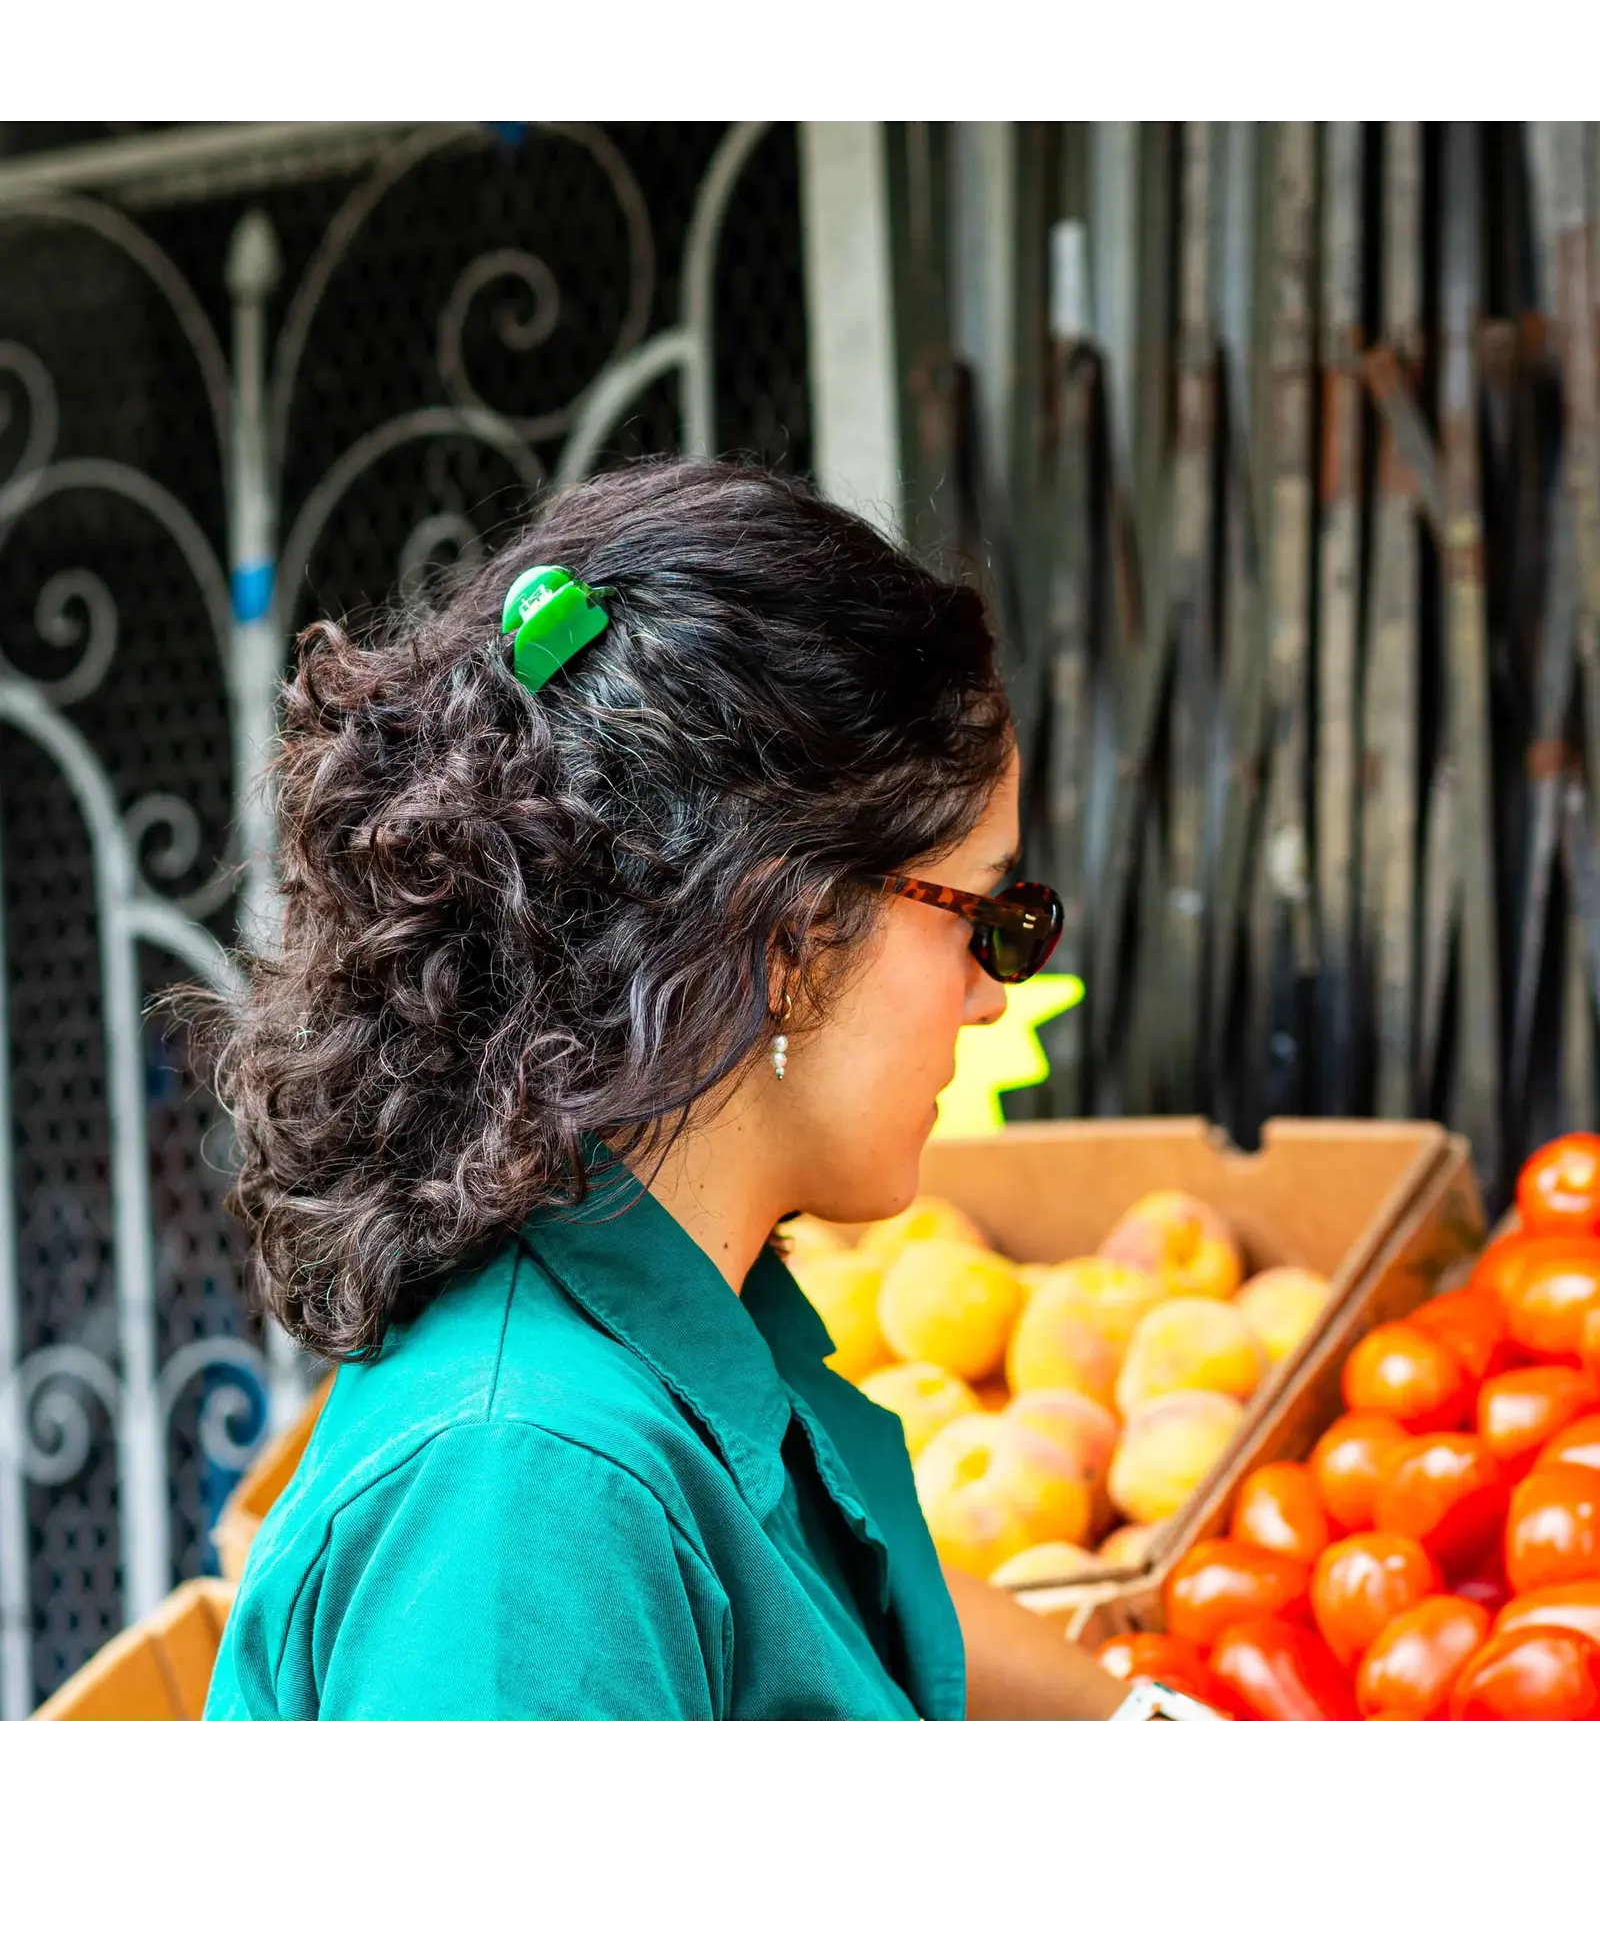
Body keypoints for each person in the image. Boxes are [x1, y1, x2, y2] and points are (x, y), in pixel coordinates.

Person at [200, 458, 1137, 1720]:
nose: (994, 990)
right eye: (990, 913)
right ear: (793, 936)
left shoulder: (680, 1318)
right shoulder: (528, 1490)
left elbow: (834, 1607)